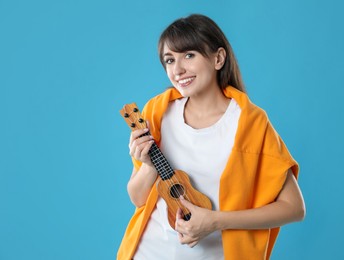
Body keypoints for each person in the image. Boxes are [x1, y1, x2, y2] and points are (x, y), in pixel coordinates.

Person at [117, 14, 305, 260]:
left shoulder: (250, 124)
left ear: (218, 58)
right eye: (169, 60)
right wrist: (149, 166)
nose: (178, 69)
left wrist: (216, 221)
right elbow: (138, 197)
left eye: (189, 55)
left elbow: (294, 208)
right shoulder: (156, 112)